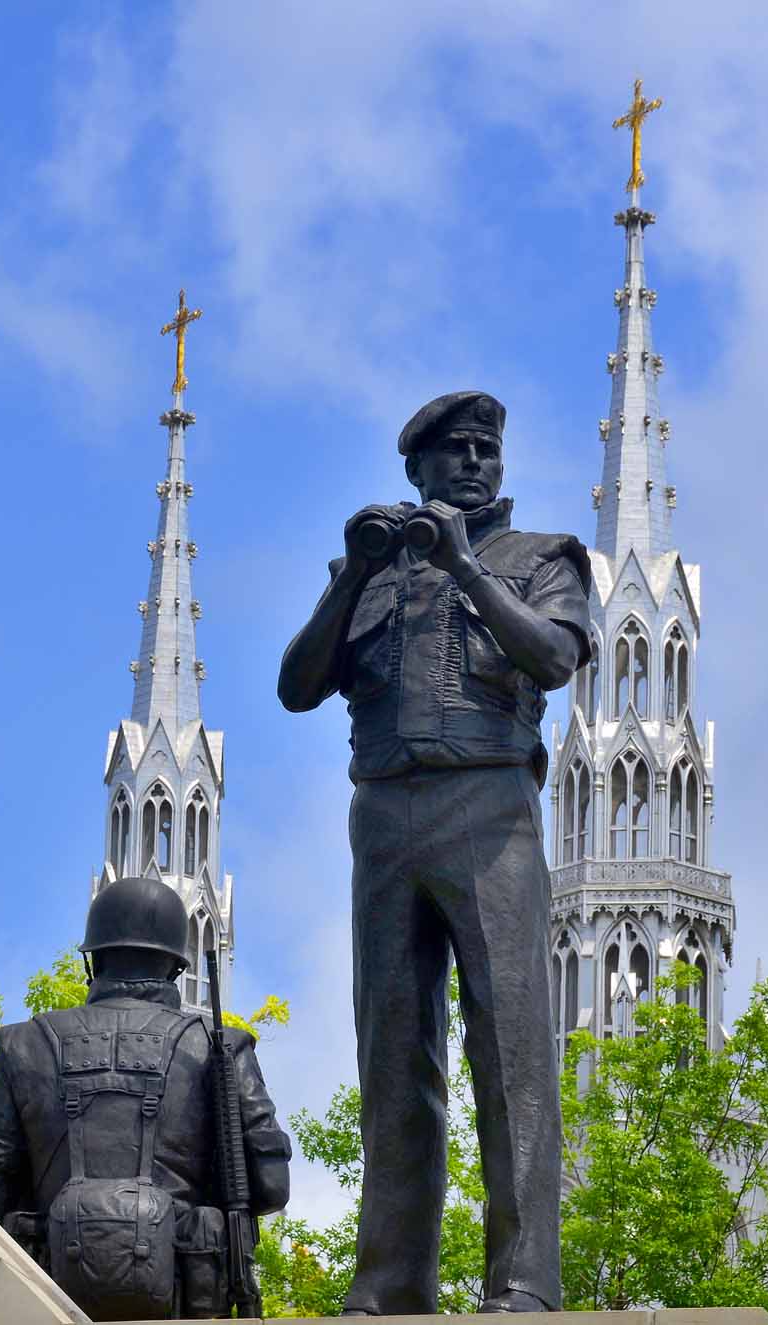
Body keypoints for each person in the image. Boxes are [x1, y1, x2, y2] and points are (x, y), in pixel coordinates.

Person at [277, 391, 593, 1314]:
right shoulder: (369, 572)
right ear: (415, 468)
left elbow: (554, 658)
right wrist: (351, 577)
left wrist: (466, 566)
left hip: (489, 806)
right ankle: (390, 1279)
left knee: (511, 1047)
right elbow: (297, 687)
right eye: (452, 451)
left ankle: (526, 1279)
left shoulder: (541, 559)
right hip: (382, 814)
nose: (472, 463)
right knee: (392, 1052)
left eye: (485, 449)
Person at [0, 877, 292, 1320]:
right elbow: (272, 1188)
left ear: (93, 959)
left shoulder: (22, 1045)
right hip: (187, 1306)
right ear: (177, 965)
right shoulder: (220, 1048)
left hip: (43, 1302)